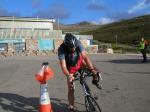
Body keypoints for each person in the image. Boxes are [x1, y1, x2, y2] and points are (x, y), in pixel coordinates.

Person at [58, 33, 100, 112]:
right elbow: (63, 66)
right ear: (66, 45)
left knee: (88, 75)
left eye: (74, 47)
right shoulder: (61, 49)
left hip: (79, 64)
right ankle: (71, 106)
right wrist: (69, 76)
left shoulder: (78, 43)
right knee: (71, 88)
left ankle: (90, 95)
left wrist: (92, 69)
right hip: (69, 68)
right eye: (71, 48)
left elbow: (85, 57)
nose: (73, 49)